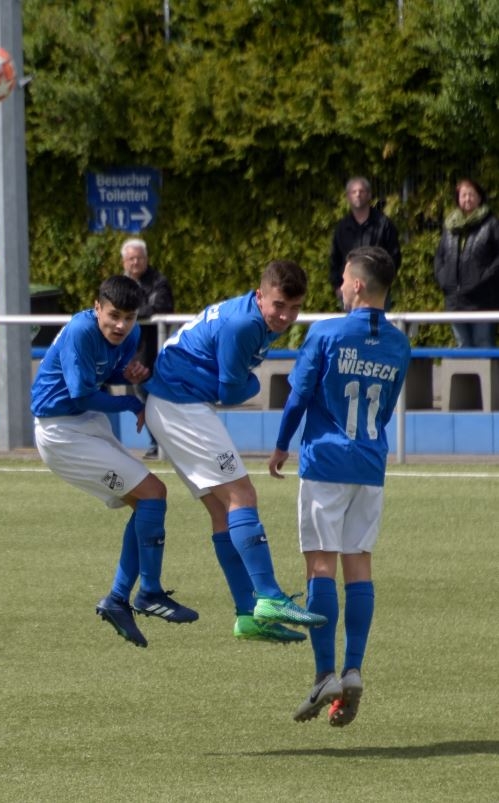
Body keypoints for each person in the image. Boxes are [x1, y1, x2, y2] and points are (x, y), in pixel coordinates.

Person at [143, 260, 327, 645]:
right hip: (180, 406)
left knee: (221, 511)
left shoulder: (256, 318)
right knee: (242, 495)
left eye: (295, 308)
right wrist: (253, 386)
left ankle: (247, 614)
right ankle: (270, 596)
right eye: (279, 305)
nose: (286, 316)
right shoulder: (244, 324)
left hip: (173, 404)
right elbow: (231, 391)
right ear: (260, 296)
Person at [269, 246, 410, 727]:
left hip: (326, 462)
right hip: (369, 464)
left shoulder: (325, 333)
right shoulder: (399, 343)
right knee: (359, 566)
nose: (339, 286)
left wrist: (281, 445)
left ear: (357, 285)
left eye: (344, 279)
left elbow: (298, 396)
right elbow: (385, 408)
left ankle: (324, 674)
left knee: (320, 567)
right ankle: (353, 669)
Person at [32, 275, 198, 649]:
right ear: (97, 308)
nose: (121, 325)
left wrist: (131, 374)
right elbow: (80, 393)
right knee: (154, 493)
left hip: (86, 424)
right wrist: (130, 401)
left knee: (147, 502)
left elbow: (111, 372)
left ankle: (119, 600)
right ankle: (148, 593)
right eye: (113, 315)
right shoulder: (81, 330)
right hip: (61, 434)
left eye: (129, 317)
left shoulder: (132, 336)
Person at [120, 238, 174, 459]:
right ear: (124, 262)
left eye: (139, 258)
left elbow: (160, 307)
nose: (135, 262)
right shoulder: (119, 283)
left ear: (146, 259)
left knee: (152, 397)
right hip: (127, 350)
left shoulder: (158, 282)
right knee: (141, 397)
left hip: (152, 350)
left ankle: (162, 445)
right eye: (131, 258)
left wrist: (130, 312)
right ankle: (157, 444)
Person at [433, 178, 499, 348]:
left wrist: (484, 278)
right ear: (458, 199)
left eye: (471, 195)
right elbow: (440, 255)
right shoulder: (450, 225)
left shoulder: (491, 224)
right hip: (454, 299)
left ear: (479, 198)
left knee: (483, 343)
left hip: (482, 299)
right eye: (463, 195)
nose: (467, 199)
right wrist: (443, 278)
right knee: (462, 345)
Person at [329, 177, 401, 311]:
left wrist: (384, 283)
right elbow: (335, 259)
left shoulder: (384, 225)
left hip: (377, 291)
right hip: (349, 292)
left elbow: (394, 257)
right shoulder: (342, 228)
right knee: (352, 325)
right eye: (354, 192)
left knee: (375, 324)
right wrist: (337, 286)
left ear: (369, 195)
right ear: (348, 197)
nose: (358, 194)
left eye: (361, 191)